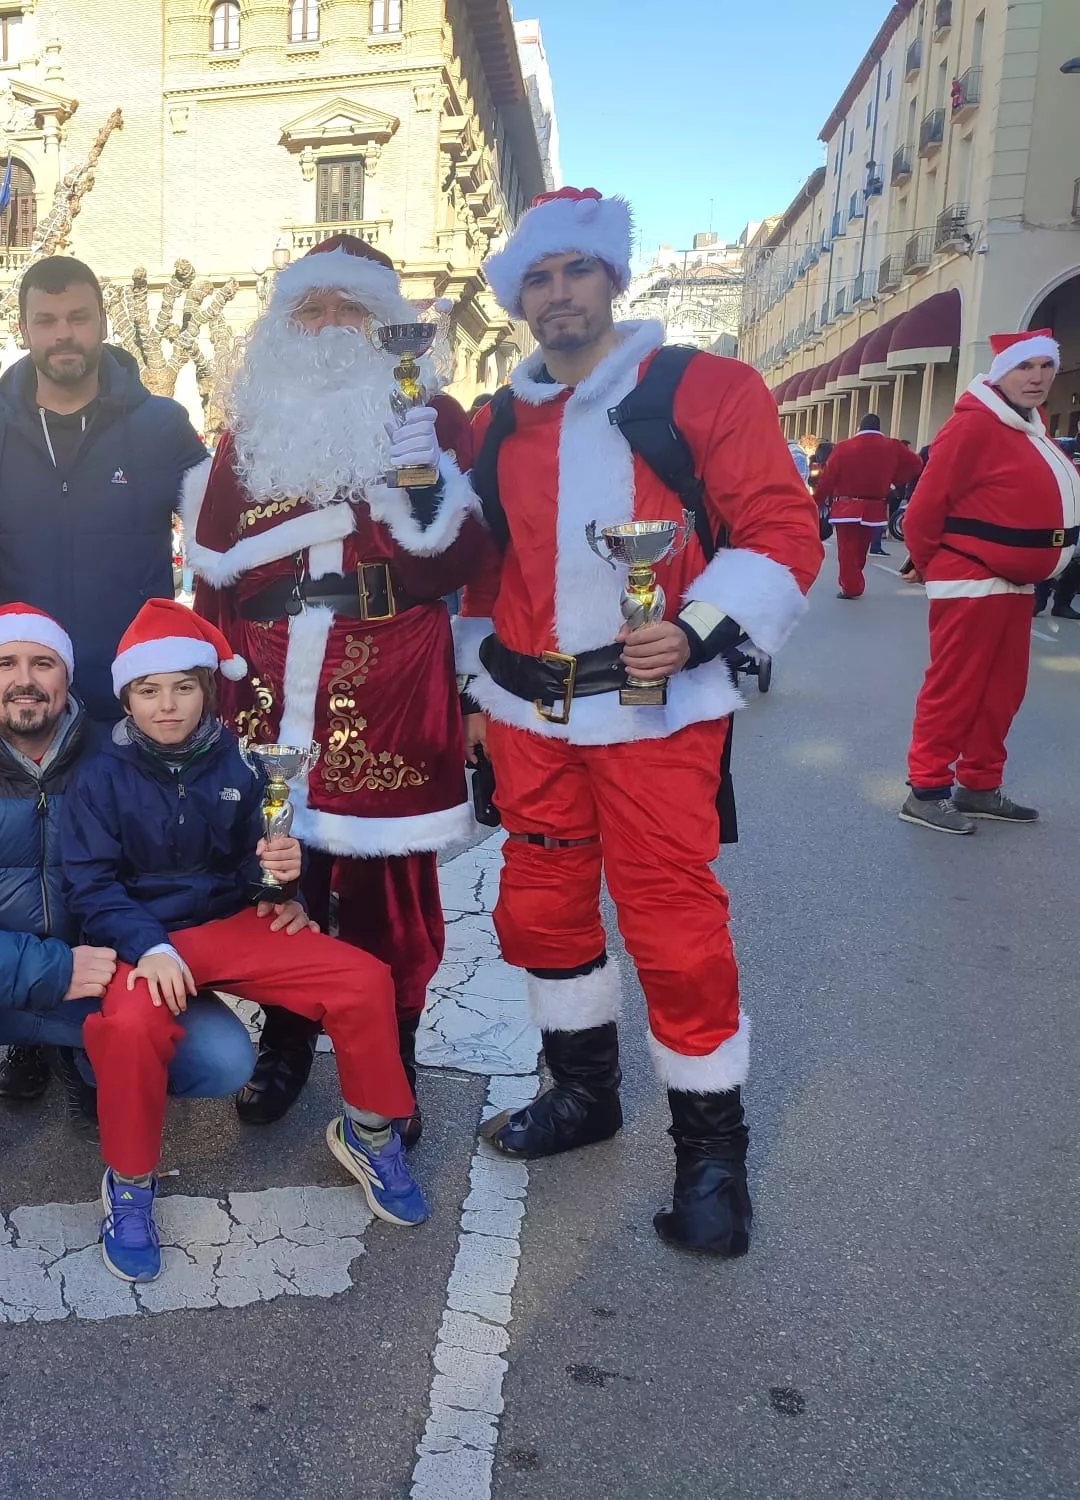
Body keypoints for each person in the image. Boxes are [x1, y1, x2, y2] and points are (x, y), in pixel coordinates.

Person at [456, 188, 821, 1258]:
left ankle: (711, 1153)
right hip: (529, 709)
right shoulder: (494, 419)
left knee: (671, 926)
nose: (557, 292)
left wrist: (699, 627)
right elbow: (484, 570)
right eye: (536, 276)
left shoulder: (705, 386)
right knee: (538, 908)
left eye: (573, 270)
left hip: (657, 707)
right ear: (516, 297)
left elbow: (777, 528)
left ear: (611, 277)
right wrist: (475, 698)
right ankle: (582, 1093)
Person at [185, 233, 486, 1137]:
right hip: (268, 688)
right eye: (307, 310)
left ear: (381, 323)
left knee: (390, 897)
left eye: (344, 309)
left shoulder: (435, 416)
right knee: (280, 881)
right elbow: (213, 586)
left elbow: (457, 564)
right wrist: (213, 690)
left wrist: (422, 483)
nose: (323, 327)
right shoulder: (243, 441)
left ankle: (387, 1060)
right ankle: (285, 1039)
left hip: (390, 681)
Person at [0, 604, 256, 1234]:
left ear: (68, 678)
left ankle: (88, 1058)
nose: (25, 679)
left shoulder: (123, 753)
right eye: (5, 663)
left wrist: (276, 884)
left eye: (44, 663)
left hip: (103, 980)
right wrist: (48, 968)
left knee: (222, 1059)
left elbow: (198, 858)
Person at [65, 600, 428, 1283]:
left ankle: (369, 1133)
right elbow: (91, 887)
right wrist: (149, 944)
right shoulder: (98, 775)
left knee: (362, 979)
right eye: (149, 690)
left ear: (206, 690)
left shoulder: (241, 762)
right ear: (127, 696)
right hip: (142, 937)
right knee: (132, 1025)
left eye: (183, 687)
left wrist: (280, 883)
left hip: (229, 926)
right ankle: (131, 1181)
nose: (167, 705)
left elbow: (250, 865)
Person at [0, 254, 209, 1103]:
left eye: (78, 318)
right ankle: (34, 1033)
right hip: (19, 702)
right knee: (22, 872)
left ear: (102, 321)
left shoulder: (160, 426)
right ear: (23, 328)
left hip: (125, 706)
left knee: (113, 872)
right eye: (47, 322)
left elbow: (222, 544)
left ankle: (104, 1045)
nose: (64, 337)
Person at [898, 330, 1075, 834]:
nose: (1037, 377)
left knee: (1002, 691)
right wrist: (932, 565)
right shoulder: (973, 426)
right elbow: (925, 509)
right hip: (972, 577)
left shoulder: (1027, 429)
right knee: (955, 688)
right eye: (1025, 367)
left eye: (1045, 366)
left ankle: (978, 785)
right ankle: (925, 790)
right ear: (1002, 372)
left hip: (1015, 583)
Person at [813, 413, 922, 599]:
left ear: (859, 427)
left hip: (846, 506)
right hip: (874, 506)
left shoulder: (843, 447)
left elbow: (828, 478)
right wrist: (894, 481)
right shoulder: (893, 446)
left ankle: (851, 586)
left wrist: (817, 501)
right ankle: (854, 579)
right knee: (861, 549)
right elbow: (916, 463)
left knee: (846, 549)